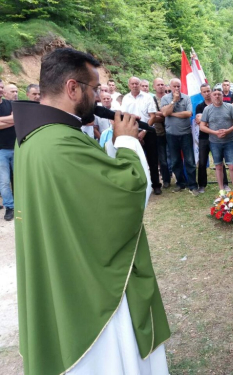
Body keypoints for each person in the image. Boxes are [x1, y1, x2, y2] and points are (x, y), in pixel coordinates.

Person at [13, 48, 170, 375]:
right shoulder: (61, 143)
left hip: (63, 259)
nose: (98, 96)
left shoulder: (31, 137)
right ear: (73, 88)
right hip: (87, 280)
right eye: (94, 89)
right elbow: (126, 194)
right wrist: (127, 142)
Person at [121, 76, 162, 195]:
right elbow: (124, 115)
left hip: (148, 131)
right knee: (134, 159)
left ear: (140, 85)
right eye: (132, 84)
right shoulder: (126, 98)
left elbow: (153, 116)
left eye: (136, 83)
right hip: (131, 131)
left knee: (152, 159)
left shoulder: (147, 97)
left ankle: (156, 185)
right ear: (129, 85)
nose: (134, 85)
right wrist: (132, 132)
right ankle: (137, 185)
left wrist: (143, 131)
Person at [161, 78, 199, 195]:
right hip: (171, 134)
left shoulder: (186, 98)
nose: (177, 88)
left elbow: (188, 114)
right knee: (175, 160)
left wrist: (171, 113)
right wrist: (173, 101)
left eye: (178, 86)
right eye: (174, 86)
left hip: (185, 134)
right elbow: (164, 113)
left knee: (189, 160)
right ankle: (180, 183)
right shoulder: (165, 98)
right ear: (170, 87)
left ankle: (193, 185)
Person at [200, 88, 233, 191]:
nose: (217, 96)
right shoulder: (207, 109)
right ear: (211, 96)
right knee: (218, 166)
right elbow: (202, 126)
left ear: (222, 96)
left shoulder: (230, 107)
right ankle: (221, 189)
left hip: (229, 141)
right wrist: (215, 133)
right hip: (214, 142)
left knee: (232, 166)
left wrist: (227, 131)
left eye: (219, 94)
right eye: (215, 94)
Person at [195, 84, 229, 193]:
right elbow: (199, 120)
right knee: (202, 161)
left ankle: (225, 183)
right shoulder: (200, 106)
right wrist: (212, 123)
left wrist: (208, 122)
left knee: (219, 161)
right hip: (204, 138)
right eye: (204, 92)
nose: (206, 93)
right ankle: (202, 185)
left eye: (208, 91)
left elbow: (219, 120)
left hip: (216, 137)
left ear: (211, 91)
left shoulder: (218, 105)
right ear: (201, 93)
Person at [151, 78, 171, 189]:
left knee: (174, 157)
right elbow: (152, 115)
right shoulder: (151, 100)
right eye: (158, 84)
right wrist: (164, 114)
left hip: (171, 131)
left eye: (162, 84)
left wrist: (161, 114)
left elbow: (171, 112)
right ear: (154, 86)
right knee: (162, 159)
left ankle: (179, 179)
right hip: (158, 133)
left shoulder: (169, 98)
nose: (161, 86)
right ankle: (166, 180)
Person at [0, 79, 15, 221]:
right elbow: (12, 120)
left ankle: (22, 203)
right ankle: (9, 206)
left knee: (19, 178)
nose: (1, 89)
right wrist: (9, 120)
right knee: (4, 181)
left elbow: (16, 119)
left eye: (2, 87)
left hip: (16, 147)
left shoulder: (9, 104)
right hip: (1, 151)